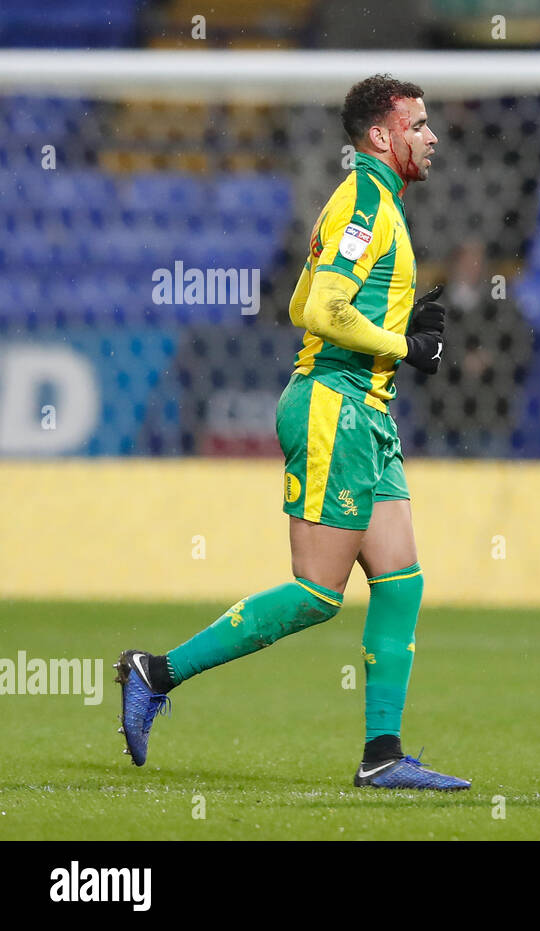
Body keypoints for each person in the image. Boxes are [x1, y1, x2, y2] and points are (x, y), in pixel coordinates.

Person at [115, 74, 471, 791]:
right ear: (381, 135)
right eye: (420, 124)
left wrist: (395, 330)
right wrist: (404, 346)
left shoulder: (374, 203)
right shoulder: (367, 202)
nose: (431, 136)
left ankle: (382, 755)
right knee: (317, 592)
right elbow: (323, 313)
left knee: (401, 583)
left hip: (365, 411)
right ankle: (155, 671)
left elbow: (302, 296)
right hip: (333, 407)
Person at [412, 239, 532, 457]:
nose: (472, 266)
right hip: (443, 413)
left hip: (491, 413)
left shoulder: (502, 305)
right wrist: (458, 359)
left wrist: (490, 358)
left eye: (477, 259)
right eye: (466, 259)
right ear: (454, 263)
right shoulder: (435, 304)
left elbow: (520, 347)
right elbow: (421, 348)